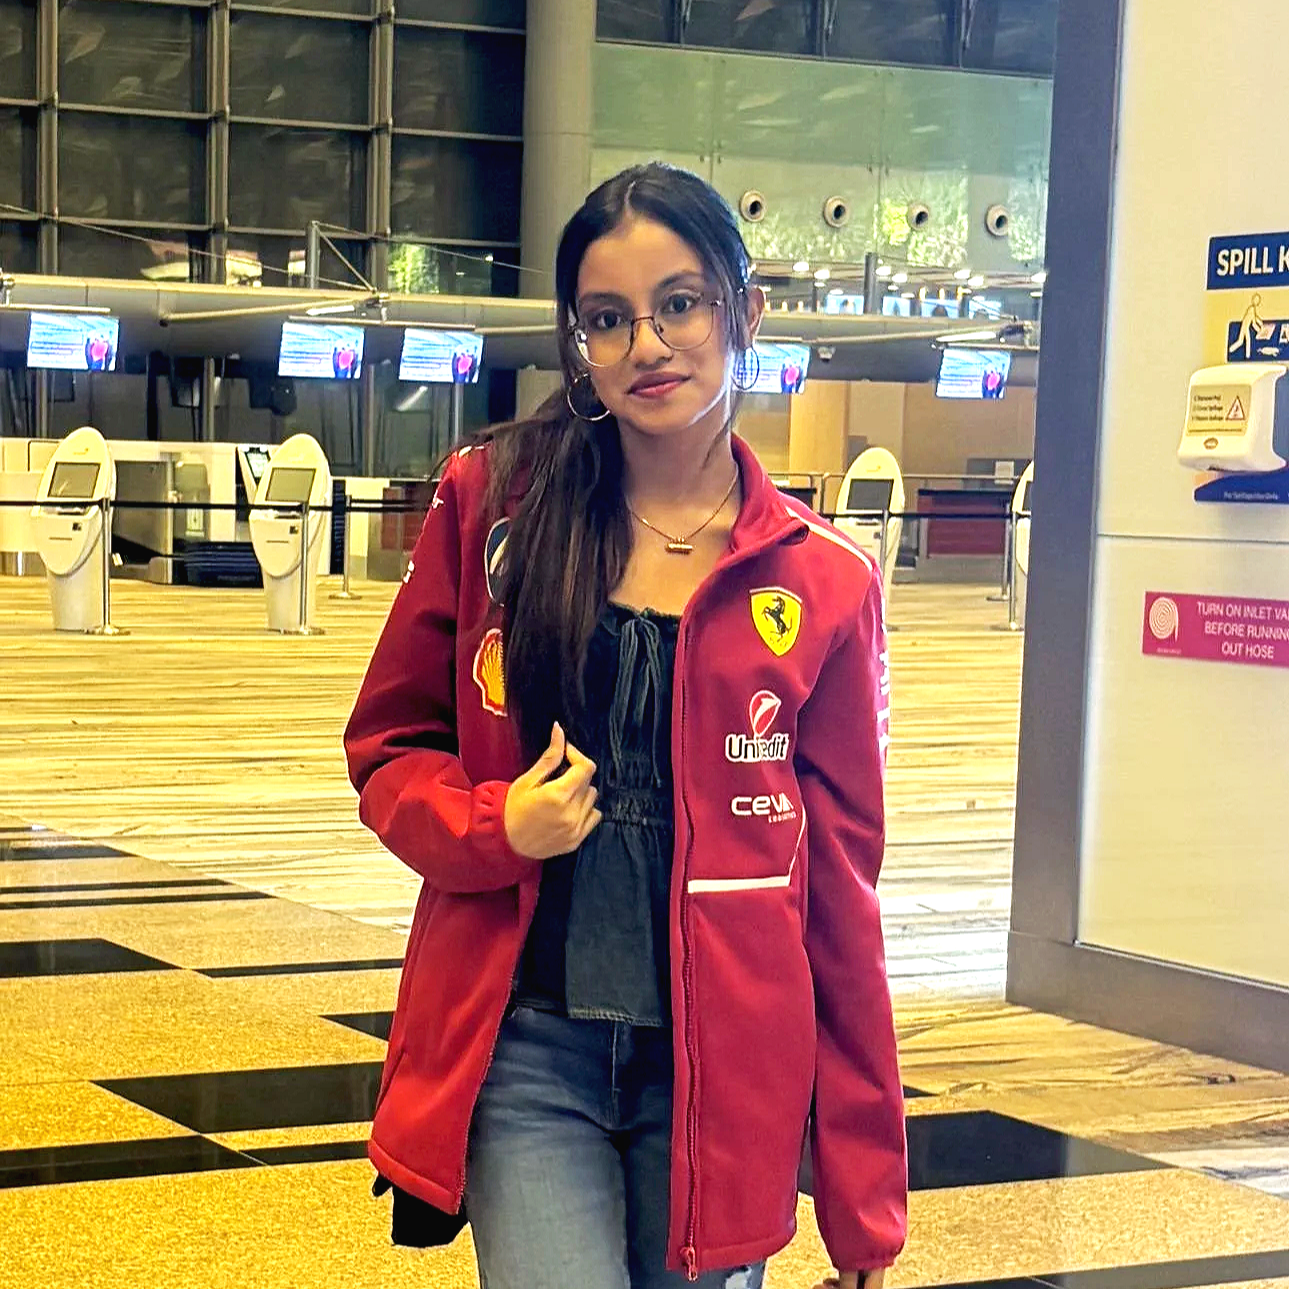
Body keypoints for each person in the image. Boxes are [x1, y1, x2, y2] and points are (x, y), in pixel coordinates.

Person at [344, 162, 907, 1289]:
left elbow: (840, 895)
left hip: (721, 1070)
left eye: (679, 303)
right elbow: (388, 747)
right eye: (607, 318)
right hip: (525, 1049)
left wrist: (861, 1190)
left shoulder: (822, 579)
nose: (646, 343)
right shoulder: (492, 502)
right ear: (577, 342)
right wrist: (498, 822)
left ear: (743, 311)